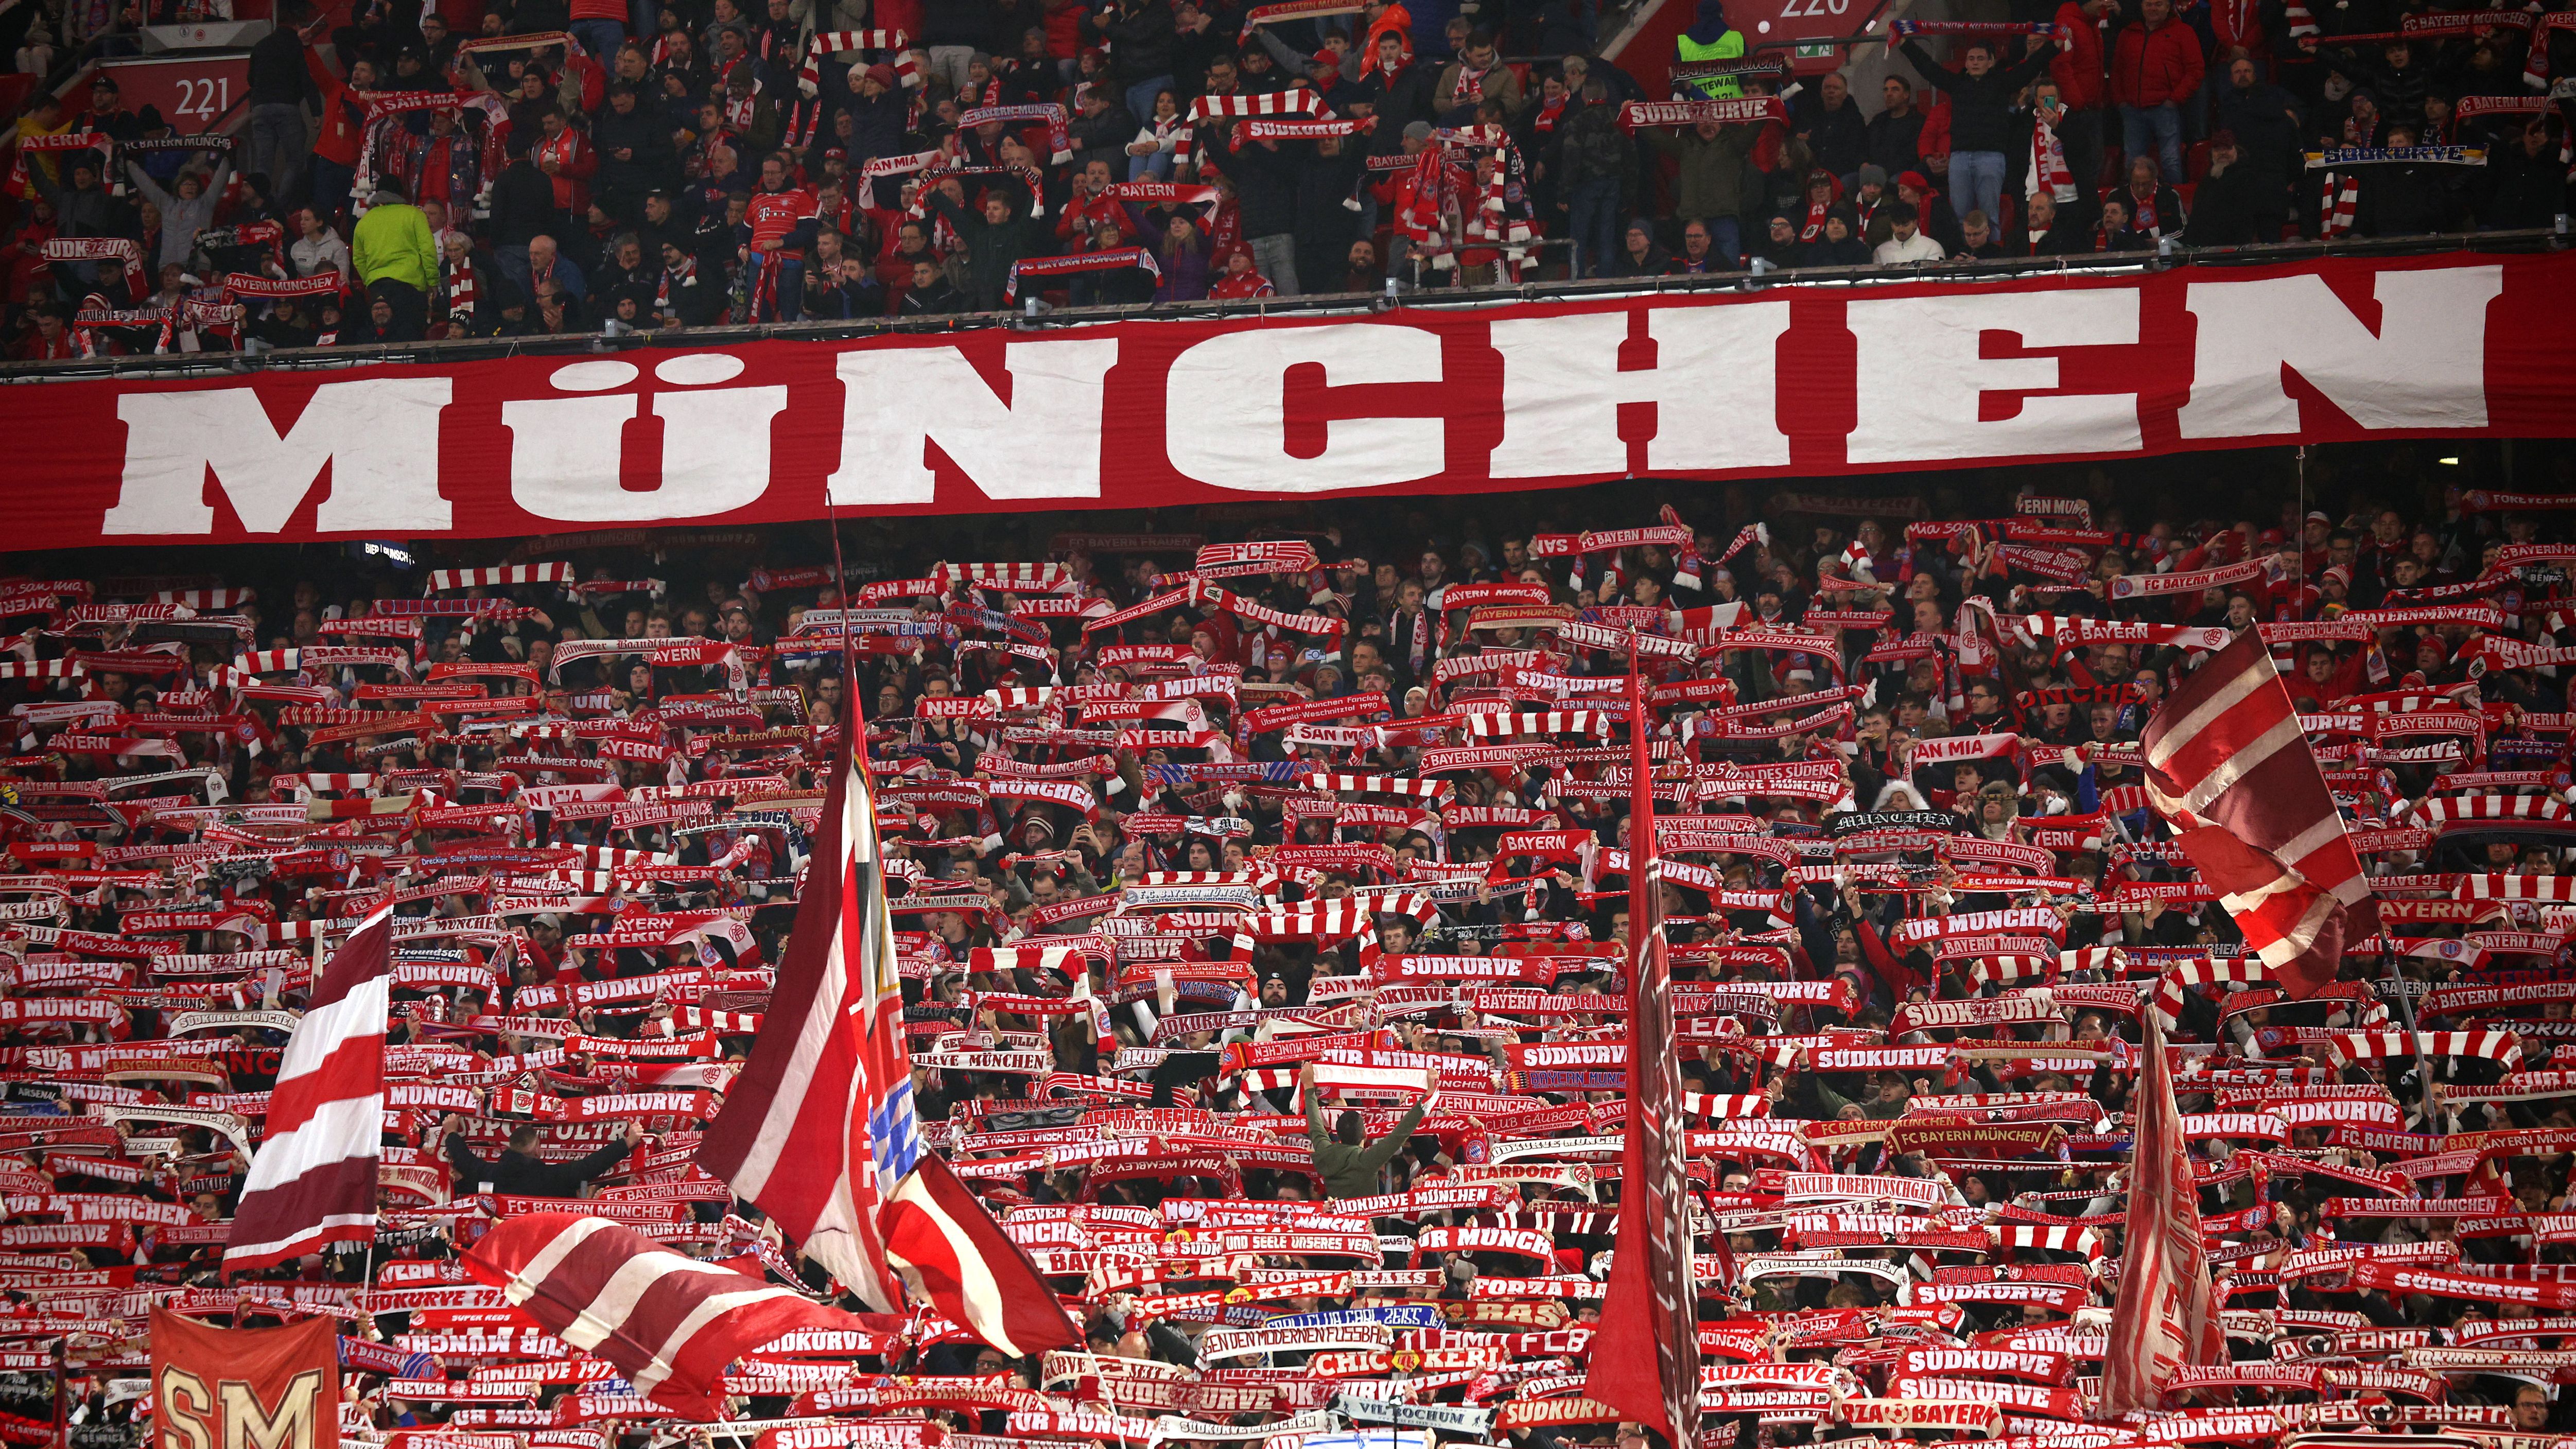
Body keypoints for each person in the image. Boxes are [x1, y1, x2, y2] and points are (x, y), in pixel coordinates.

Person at [1896, 30, 2055, 230]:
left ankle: (1992, 257)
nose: (1975, 62)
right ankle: (1964, 259)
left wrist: (2055, 44)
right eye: (1971, 58)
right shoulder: (1957, 84)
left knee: (1990, 218)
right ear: (1966, 63)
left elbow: (2032, 66)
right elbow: (1928, 67)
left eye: (1981, 58)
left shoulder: (2003, 82)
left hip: (1991, 158)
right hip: (1960, 159)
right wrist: (1903, 43)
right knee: (1961, 219)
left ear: (1991, 62)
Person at [1300, 1063, 1438, 1198]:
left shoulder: (1326, 1154)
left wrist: (1308, 1087)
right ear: (1365, 1134)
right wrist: (1428, 1095)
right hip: (1368, 1222)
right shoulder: (1367, 1160)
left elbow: (1316, 1126)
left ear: (1338, 1133)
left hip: (1338, 1220)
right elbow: (1401, 1132)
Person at [2111, 0, 2203, 191]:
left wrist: (2175, 99)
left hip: (2165, 109)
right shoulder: (2127, 34)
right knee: (2132, 163)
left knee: (2171, 162)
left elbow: (2196, 71)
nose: (2153, 8)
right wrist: (2121, 101)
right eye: (2149, 4)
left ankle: (2176, 205)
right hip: (2133, 111)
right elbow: (2117, 70)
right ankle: (2132, 206)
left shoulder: (2183, 32)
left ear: (2169, 7)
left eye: (2159, 4)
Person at [443, 1116, 644, 1195]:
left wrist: (451, 1132)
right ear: (538, 1149)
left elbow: (464, 1160)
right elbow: (588, 1167)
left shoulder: (491, 1174)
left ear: (509, 1148)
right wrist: (627, 1143)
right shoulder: (549, 1178)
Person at [351, 183, 440, 340]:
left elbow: (358, 259)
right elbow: (427, 251)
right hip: (410, 287)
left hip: (377, 286)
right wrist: (432, 282)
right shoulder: (414, 214)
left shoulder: (364, 222)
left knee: (382, 338)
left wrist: (370, 280)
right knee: (410, 337)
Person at [1873, 199, 1944, 261]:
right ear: (1892, 225)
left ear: (1915, 223)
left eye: (1905, 225)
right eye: (1897, 225)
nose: (1900, 230)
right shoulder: (1880, 252)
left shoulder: (1933, 248)